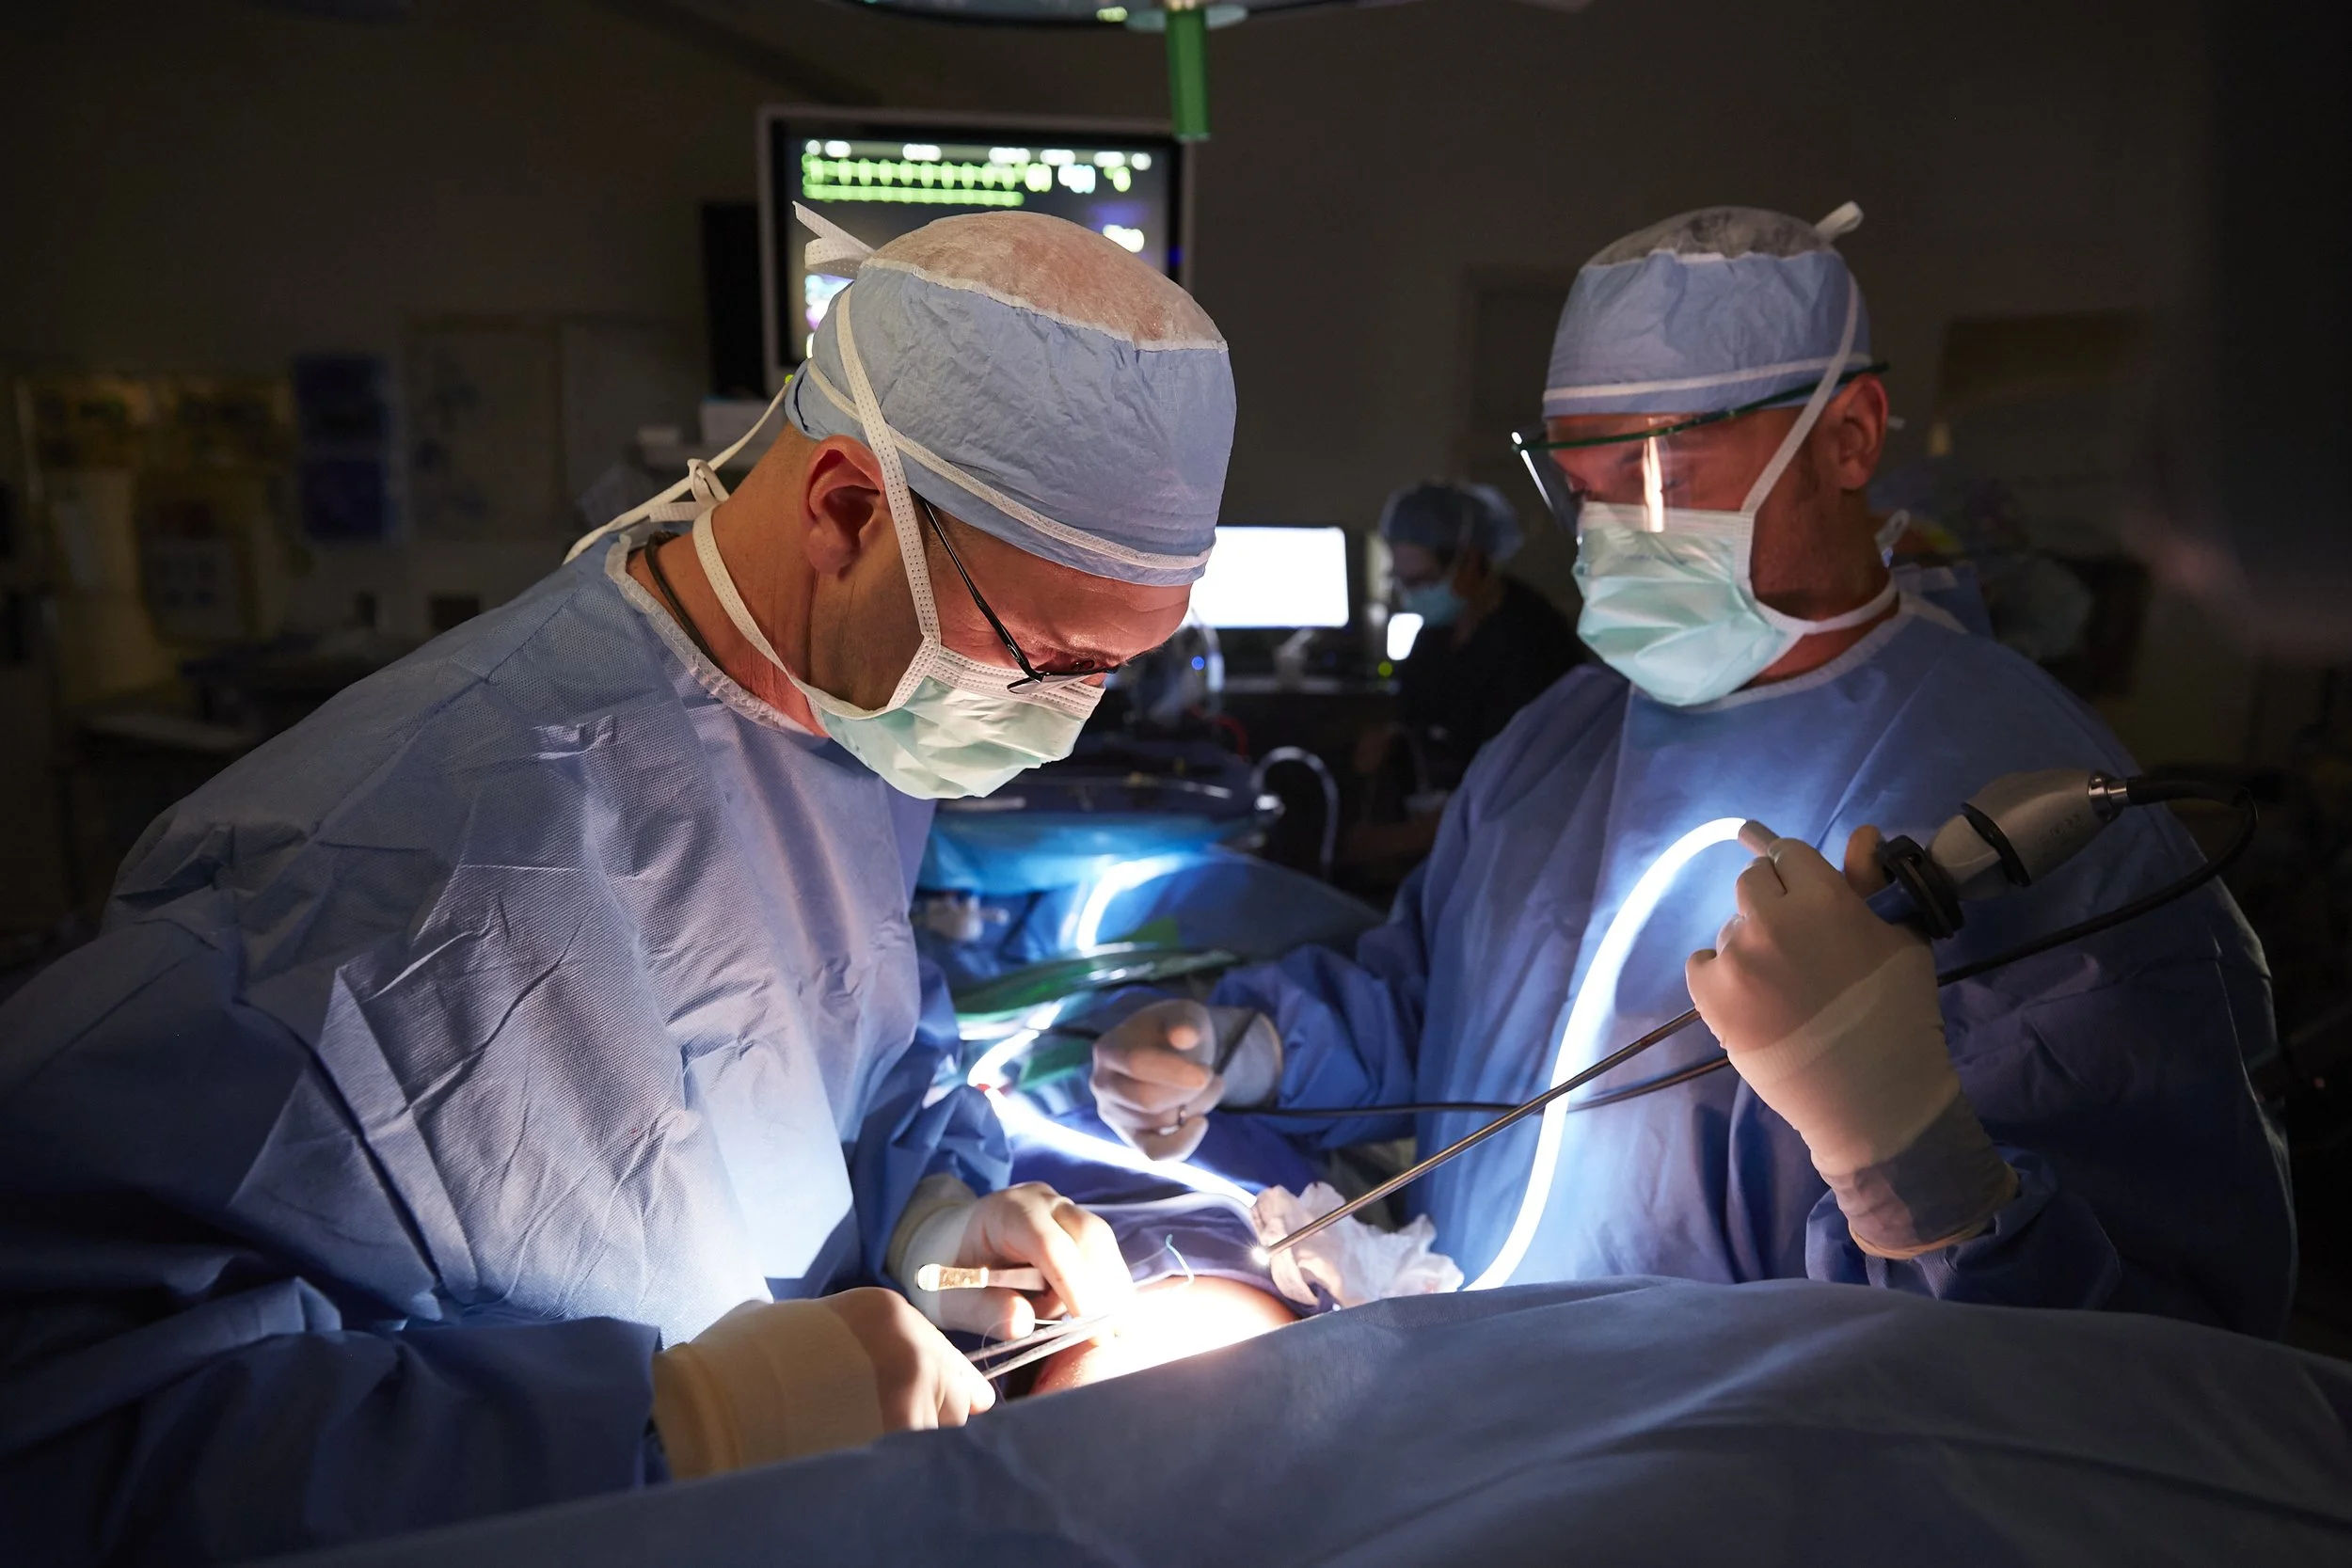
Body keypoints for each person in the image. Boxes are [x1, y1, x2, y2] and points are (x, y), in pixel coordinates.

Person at [0, 207, 1236, 1564]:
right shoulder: (367, 866)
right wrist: (679, 1426)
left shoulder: (859, 721)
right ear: (843, 511)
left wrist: (938, 1210)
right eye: (1049, 653)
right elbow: (61, 1426)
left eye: (1116, 665)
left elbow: (852, 1041)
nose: (1071, 714)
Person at [1092, 203, 2294, 1331]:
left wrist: (1918, 1160)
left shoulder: (2023, 803)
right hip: (1483, 1420)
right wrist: (1254, 1048)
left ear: (1847, 438)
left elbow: (2156, 1358)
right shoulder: (1555, 741)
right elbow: (1433, 1008)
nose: (1609, 531)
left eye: (1661, 472)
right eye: (1579, 484)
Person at [1348, 482, 1581, 874]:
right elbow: (1422, 712)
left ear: (1472, 562)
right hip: (1447, 831)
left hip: (1516, 850)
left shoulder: (1532, 643)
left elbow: (1518, 784)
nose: (1412, 597)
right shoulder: (1436, 634)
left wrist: (1407, 838)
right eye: (1402, 582)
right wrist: (1393, 738)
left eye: (1422, 582)